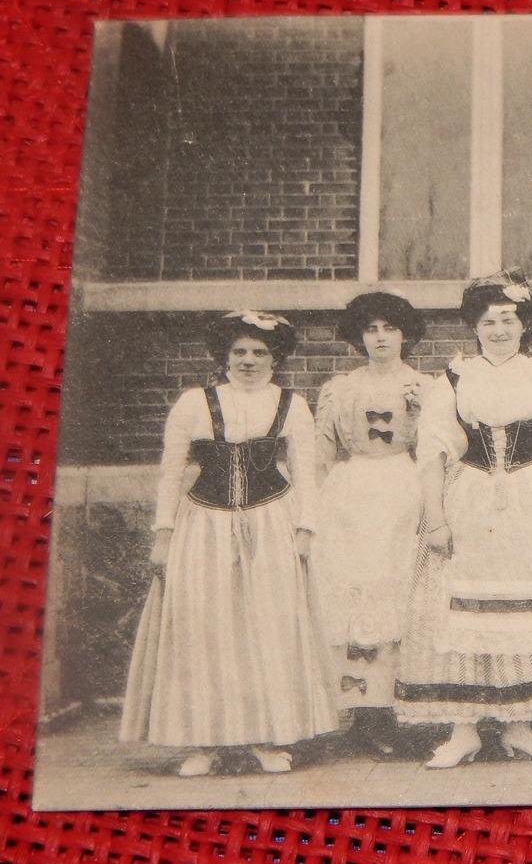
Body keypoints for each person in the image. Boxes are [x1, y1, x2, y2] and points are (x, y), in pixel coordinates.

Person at [396, 273, 532, 768]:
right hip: (467, 498)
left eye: (508, 320)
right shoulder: (453, 377)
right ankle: (463, 729)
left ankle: (522, 726)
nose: (498, 329)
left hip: (531, 501)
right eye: (488, 321)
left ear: (523, 325)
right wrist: (435, 520)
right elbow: (432, 451)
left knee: (528, 609)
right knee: (461, 608)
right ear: (475, 325)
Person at [120, 311, 338, 777]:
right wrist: (163, 534)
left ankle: (264, 738)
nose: (249, 361)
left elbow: (305, 473)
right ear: (224, 357)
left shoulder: (291, 405)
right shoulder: (193, 403)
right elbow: (171, 472)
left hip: (270, 523)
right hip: (205, 525)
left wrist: (305, 530)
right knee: (205, 629)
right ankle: (204, 742)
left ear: (275, 358)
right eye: (239, 351)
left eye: (260, 352)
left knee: (267, 628)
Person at [311, 292, 430, 757]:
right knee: (350, 591)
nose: (381, 338)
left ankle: (391, 709)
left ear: (405, 334)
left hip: (403, 489)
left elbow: (436, 451)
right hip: (351, 494)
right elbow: (320, 455)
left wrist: (421, 414)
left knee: (396, 591)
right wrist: (319, 509)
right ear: (359, 337)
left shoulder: (425, 386)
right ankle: (358, 711)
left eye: (390, 329)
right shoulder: (340, 388)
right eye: (372, 329)